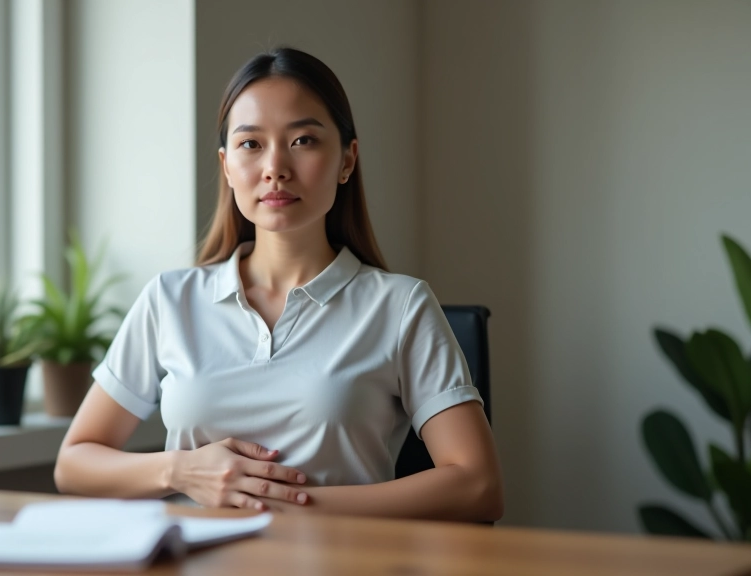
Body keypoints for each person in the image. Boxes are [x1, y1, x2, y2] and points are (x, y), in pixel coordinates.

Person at [54, 47, 503, 522]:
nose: (275, 168)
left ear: (347, 160)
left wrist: (291, 504)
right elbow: (75, 463)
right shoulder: (170, 300)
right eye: (251, 144)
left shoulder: (400, 306)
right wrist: (180, 471)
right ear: (227, 166)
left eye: (304, 140)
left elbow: (478, 484)